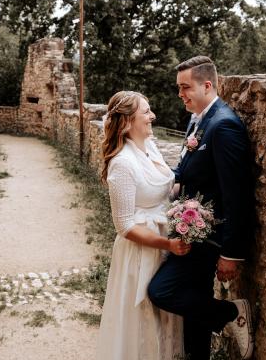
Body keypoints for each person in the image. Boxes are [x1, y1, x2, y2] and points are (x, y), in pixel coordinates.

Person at [148, 56, 256, 360]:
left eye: (186, 87)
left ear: (207, 85)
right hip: (191, 230)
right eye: (179, 88)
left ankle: (230, 312)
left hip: (209, 237)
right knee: (194, 309)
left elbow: (237, 194)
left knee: (162, 292)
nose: (180, 94)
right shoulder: (199, 120)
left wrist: (230, 253)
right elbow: (186, 169)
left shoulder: (224, 126)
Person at [96, 91, 187, 360]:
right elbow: (124, 225)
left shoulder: (150, 146)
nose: (153, 116)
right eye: (146, 112)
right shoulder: (122, 164)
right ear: (127, 121)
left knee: (164, 317)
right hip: (141, 251)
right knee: (143, 317)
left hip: (164, 239)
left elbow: (163, 189)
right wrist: (167, 243)